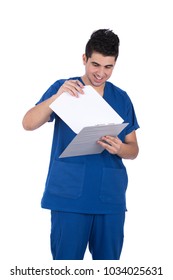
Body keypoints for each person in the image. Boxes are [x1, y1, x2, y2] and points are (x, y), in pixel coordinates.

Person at [22, 29, 139, 260]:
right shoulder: (64, 88)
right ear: (84, 59)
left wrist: (120, 149)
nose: (101, 73)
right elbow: (28, 123)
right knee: (66, 269)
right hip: (69, 196)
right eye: (95, 65)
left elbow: (133, 148)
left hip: (110, 198)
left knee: (109, 271)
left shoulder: (122, 97)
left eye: (109, 67)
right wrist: (57, 97)